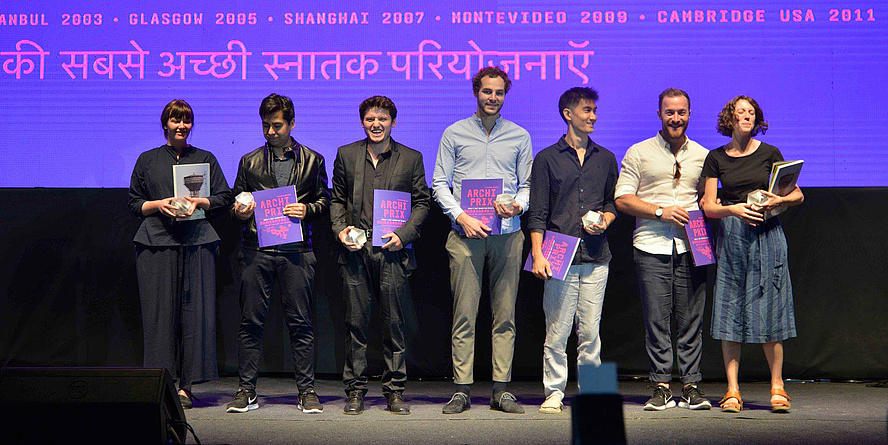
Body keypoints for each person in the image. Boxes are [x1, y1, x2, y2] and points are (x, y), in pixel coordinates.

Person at [432, 67, 532, 414]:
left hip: (508, 235)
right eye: (487, 91)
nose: (493, 98)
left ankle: (501, 390)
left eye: (499, 93)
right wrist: (460, 216)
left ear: (506, 95)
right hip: (464, 235)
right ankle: (462, 390)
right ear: (476, 92)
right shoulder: (454, 133)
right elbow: (439, 183)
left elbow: (527, 184)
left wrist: (519, 204)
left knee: (505, 316)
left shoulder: (519, 136)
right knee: (464, 316)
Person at [225, 93, 330, 414]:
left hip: (297, 251)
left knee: (300, 323)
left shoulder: (313, 160)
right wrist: (240, 212)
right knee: (250, 322)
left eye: (277, 125)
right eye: (266, 126)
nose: (271, 132)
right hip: (257, 250)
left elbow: (326, 202)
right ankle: (246, 390)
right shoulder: (250, 161)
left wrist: (308, 208)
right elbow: (234, 202)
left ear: (292, 123)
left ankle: (307, 391)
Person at [700, 95, 804, 414]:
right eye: (740, 111)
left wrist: (775, 202)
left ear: (756, 120)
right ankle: (732, 390)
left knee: (771, 308)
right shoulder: (716, 157)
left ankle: (777, 385)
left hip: (767, 235)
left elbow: (796, 194)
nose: (746, 115)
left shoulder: (771, 154)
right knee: (731, 310)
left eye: (751, 112)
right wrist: (733, 209)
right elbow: (708, 205)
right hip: (732, 235)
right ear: (729, 119)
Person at [127, 99, 232, 409]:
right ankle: (163, 384)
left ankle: (186, 387)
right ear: (165, 124)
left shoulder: (205, 158)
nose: (181, 126)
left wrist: (200, 203)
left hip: (197, 242)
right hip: (157, 243)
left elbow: (224, 197)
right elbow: (135, 203)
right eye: (175, 120)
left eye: (186, 120)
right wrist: (159, 205)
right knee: (159, 317)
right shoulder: (147, 160)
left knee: (194, 316)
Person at [331, 96, 430, 415]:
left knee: (393, 325)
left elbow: (422, 203)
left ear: (393, 122)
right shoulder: (346, 155)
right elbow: (336, 200)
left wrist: (404, 234)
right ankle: (355, 391)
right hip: (356, 250)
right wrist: (340, 229)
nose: (376, 124)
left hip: (391, 251)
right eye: (371, 119)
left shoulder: (411, 158)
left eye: (383, 119)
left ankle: (395, 391)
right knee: (355, 325)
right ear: (363, 122)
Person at [615, 88, 712, 411]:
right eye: (670, 112)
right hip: (651, 245)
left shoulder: (702, 154)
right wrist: (660, 211)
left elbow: (708, 199)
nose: (676, 118)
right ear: (659, 114)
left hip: (693, 246)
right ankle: (660, 386)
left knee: (690, 320)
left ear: (689, 114)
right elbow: (622, 199)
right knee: (657, 320)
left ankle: (691, 385)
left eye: (681, 112)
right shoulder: (639, 152)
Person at [529, 87, 617, 414]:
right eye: (586, 110)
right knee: (557, 330)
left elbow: (611, 203)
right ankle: (554, 393)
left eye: (594, 110)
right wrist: (537, 254)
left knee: (591, 331)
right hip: (556, 256)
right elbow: (537, 212)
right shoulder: (547, 158)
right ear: (568, 114)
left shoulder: (606, 158)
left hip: (597, 256)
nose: (593, 116)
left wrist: (606, 219)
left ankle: (594, 394)